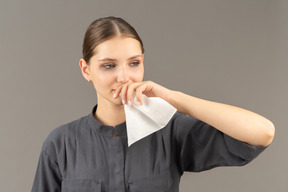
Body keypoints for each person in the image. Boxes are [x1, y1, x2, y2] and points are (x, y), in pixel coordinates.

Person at [31, 16, 275, 192]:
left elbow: (262, 132)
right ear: (86, 70)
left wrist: (174, 99)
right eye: (109, 65)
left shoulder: (169, 130)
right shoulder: (61, 143)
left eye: (133, 63)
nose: (124, 76)